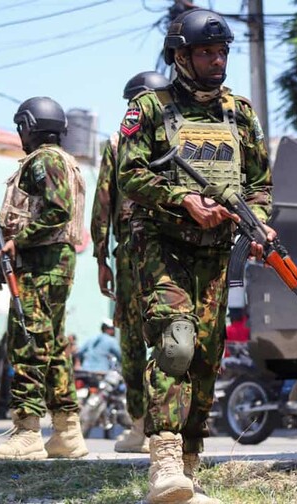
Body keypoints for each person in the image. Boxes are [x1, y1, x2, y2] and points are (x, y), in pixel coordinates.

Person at [117, 9, 273, 503]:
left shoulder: (240, 113)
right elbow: (130, 175)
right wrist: (181, 199)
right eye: (206, 52)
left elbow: (260, 184)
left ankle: (187, 467)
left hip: (216, 255)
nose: (216, 60)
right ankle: (162, 458)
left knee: (206, 360)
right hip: (162, 248)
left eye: (222, 52)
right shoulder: (150, 108)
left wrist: (259, 221)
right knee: (176, 346)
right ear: (181, 56)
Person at [0, 96, 89, 461]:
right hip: (54, 264)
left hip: (43, 265)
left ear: (29, 126)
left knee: (27, 341)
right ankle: (66, 432)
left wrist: (17, 241)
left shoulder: (44, 161)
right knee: (53, 345)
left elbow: (57, 211)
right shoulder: (65, 161)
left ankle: (27, 430)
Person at [91, 70, 171, 454]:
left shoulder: (119, 140)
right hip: (171, 253)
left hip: (135, 252)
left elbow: (103, 202)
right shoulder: (182, 138)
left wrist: (100, 256)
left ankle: (144, 428)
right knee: (167, 336)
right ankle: (163, 429)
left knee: (138, 342)